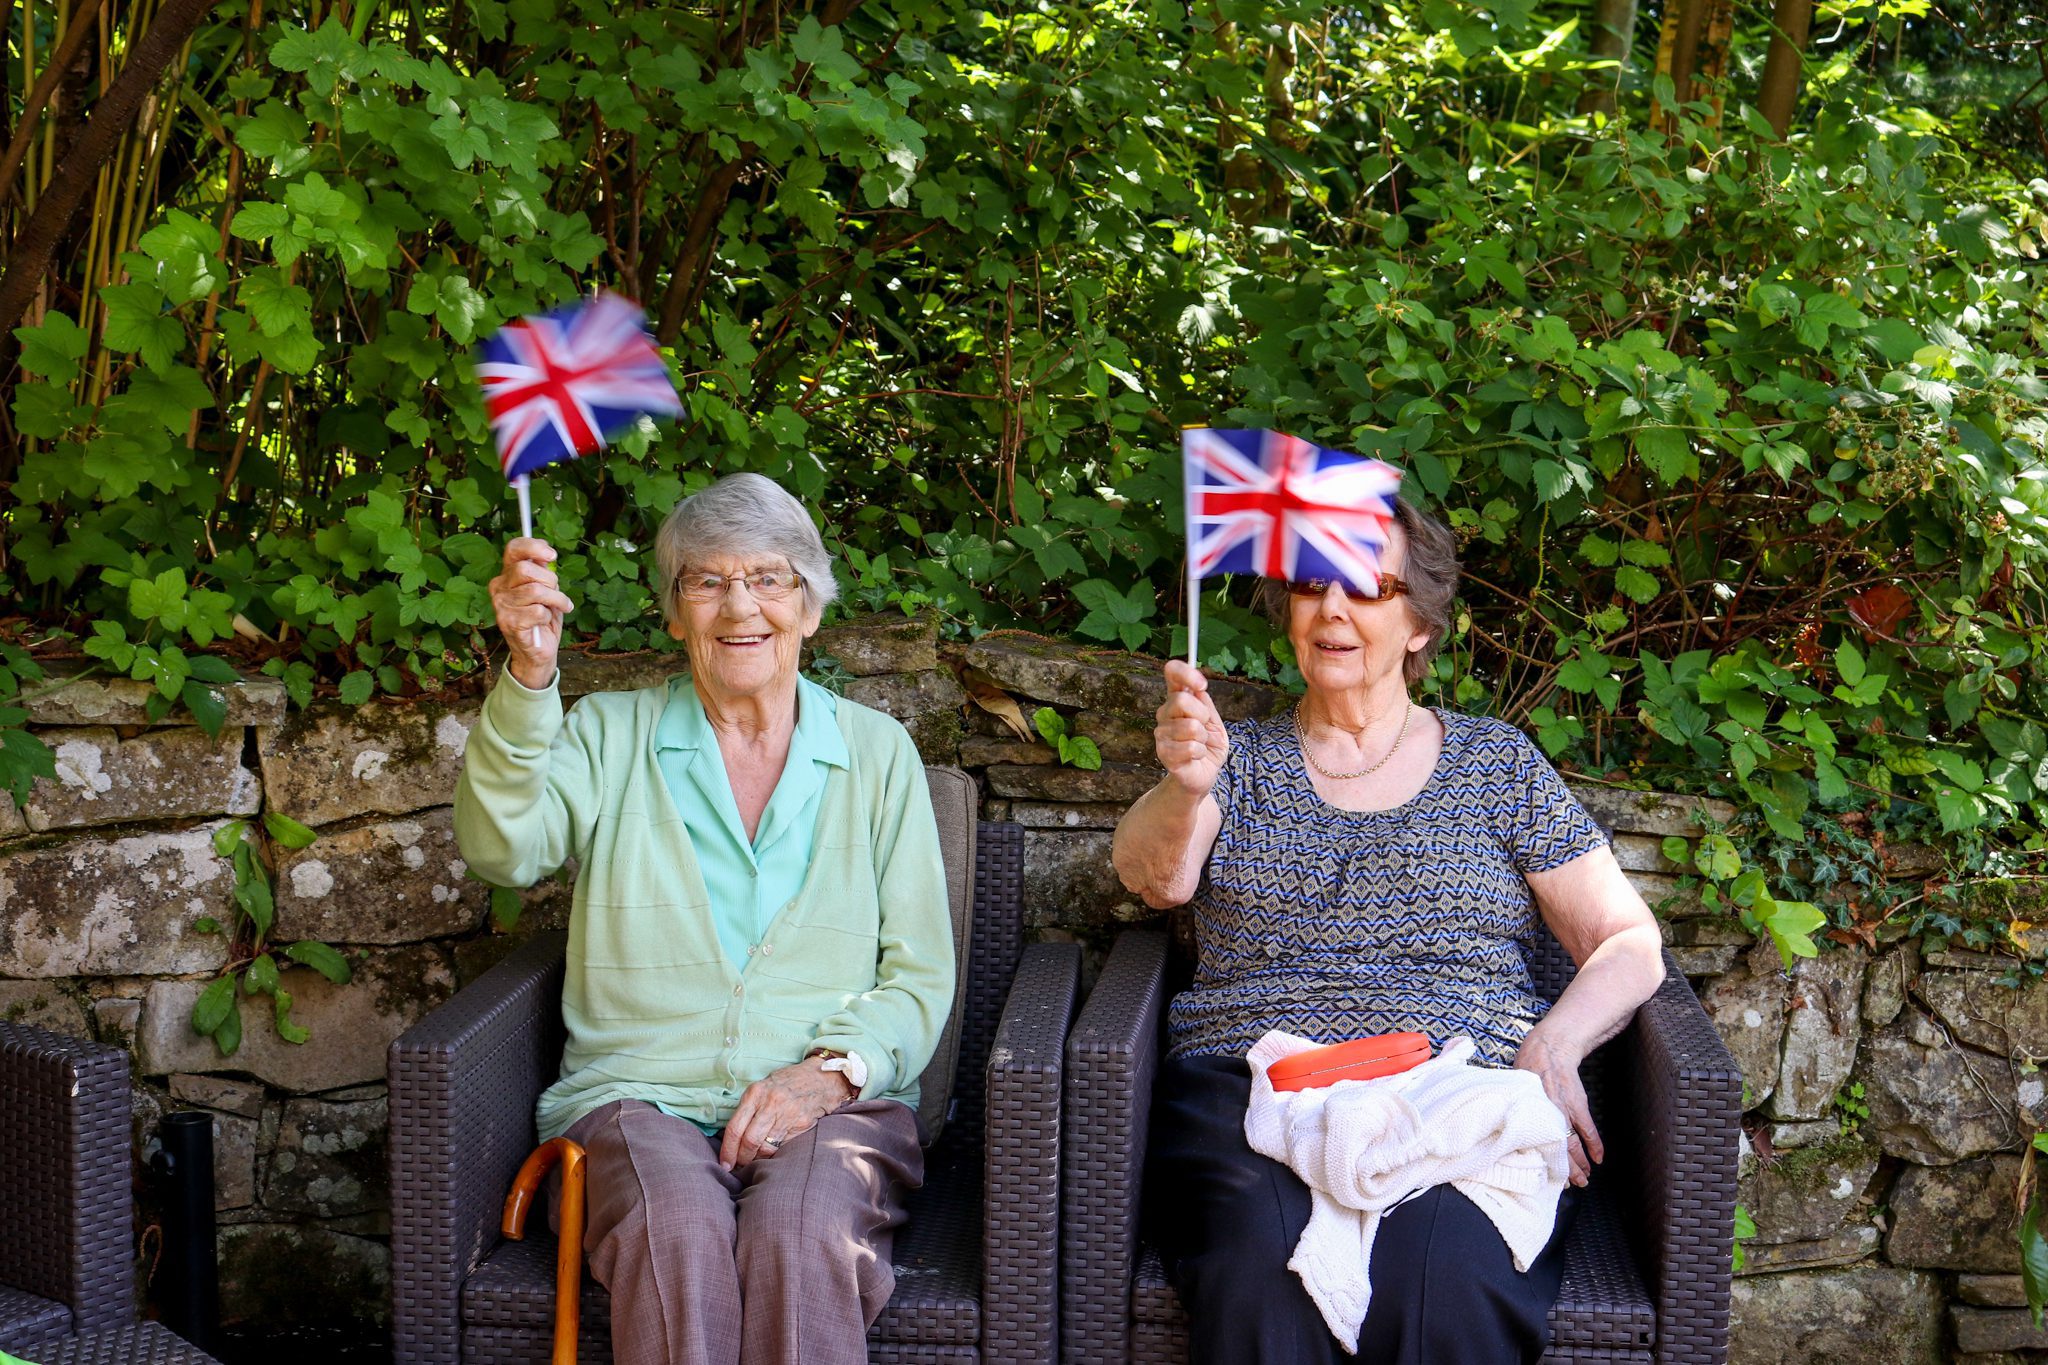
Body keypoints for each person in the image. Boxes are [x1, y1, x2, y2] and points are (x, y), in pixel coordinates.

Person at [1111, 497, 1666, 1365]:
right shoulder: (1236, 761)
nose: (1332, 608)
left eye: (1367, 587)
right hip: (1255, 1089)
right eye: (1311, 586)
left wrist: (1554, 1045)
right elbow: (1155, 878)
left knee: (1445, 1273)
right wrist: (1185, 786)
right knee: (1267, 1264)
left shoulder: (1496, 764)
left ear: (1421, 623)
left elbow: (1628, 942)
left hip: (1458, 1088)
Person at [454, 472, 956, 1365]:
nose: (740, 606)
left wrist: (831, 1074)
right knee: (677, 1228)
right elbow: (505, 850)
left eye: (768, 578)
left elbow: (918, 975)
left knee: (802, 1235)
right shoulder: (610, 734)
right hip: (633, 1099)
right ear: (675, 612)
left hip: (832, 1108)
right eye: (707, 580)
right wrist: (530, 678)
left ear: (809, 605)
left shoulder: (878, 755)